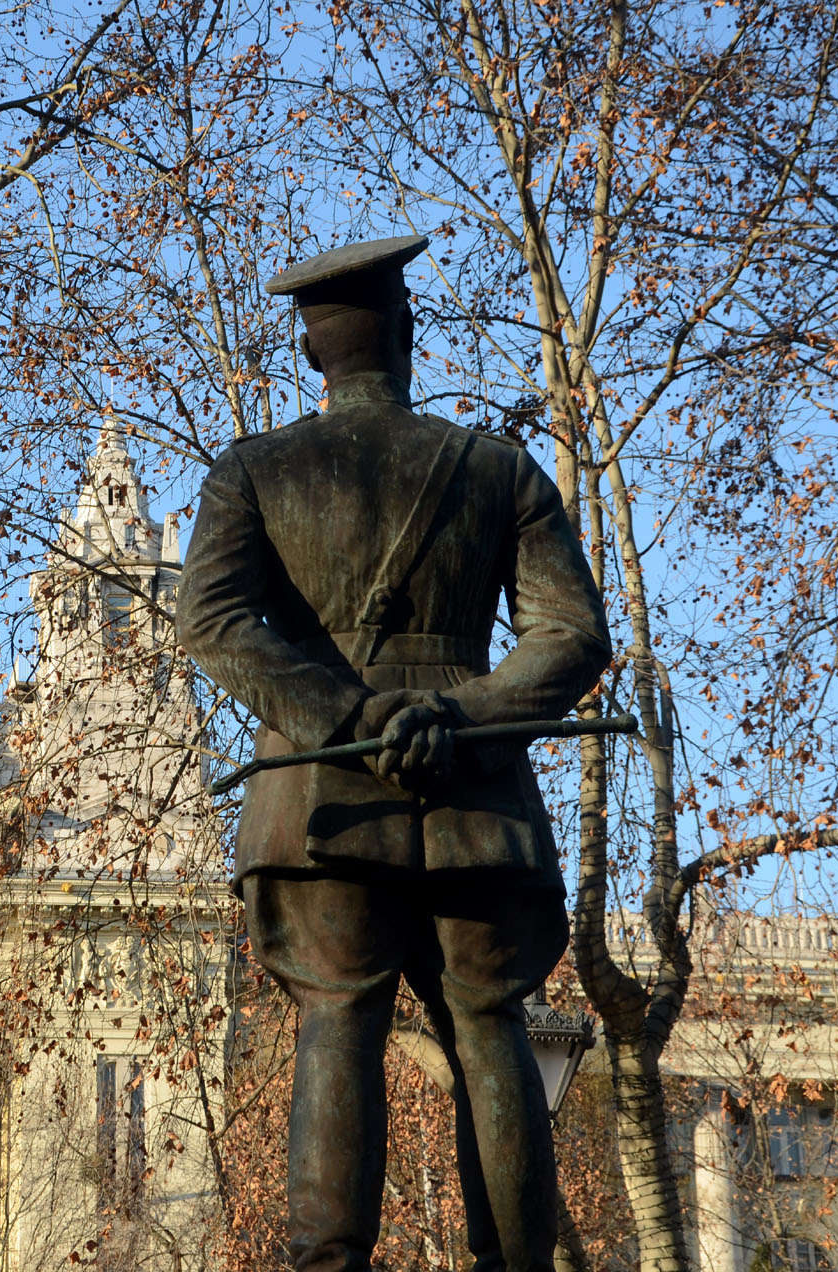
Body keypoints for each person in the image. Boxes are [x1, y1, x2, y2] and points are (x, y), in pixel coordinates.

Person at [176, 235, 612, 1272]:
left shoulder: (252, 471)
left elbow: (215, 623)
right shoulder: (496, 470)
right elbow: (571, 636)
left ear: (311, 354)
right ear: (408, 338)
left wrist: (347, 720)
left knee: (337, 1019)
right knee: (491, 1025)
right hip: (480, 799)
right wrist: (457, 719)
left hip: (325, 804)